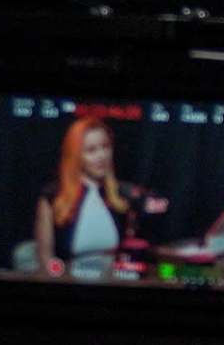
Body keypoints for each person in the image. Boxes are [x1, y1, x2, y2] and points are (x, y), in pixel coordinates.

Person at [31, 110, 152, 278]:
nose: (101, 156)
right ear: (76, 156)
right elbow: (46, 261)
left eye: (105, 147)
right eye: (91, 150)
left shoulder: (121, 195)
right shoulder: (52, 196)